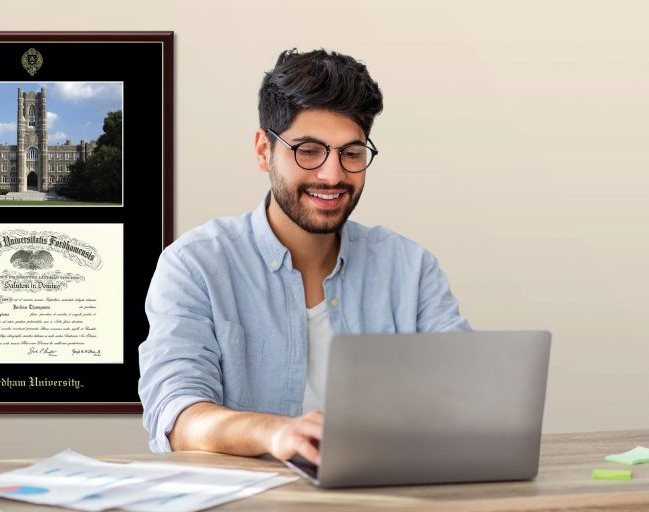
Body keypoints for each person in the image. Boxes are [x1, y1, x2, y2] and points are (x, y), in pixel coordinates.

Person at [138, 48, 470, 466]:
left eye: (351, 153)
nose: (332, 175)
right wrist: (277, 431)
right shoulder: (195, 264)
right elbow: (178, 415)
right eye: (308, 150)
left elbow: (464, 397)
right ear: (264, 150)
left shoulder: (410, 268)